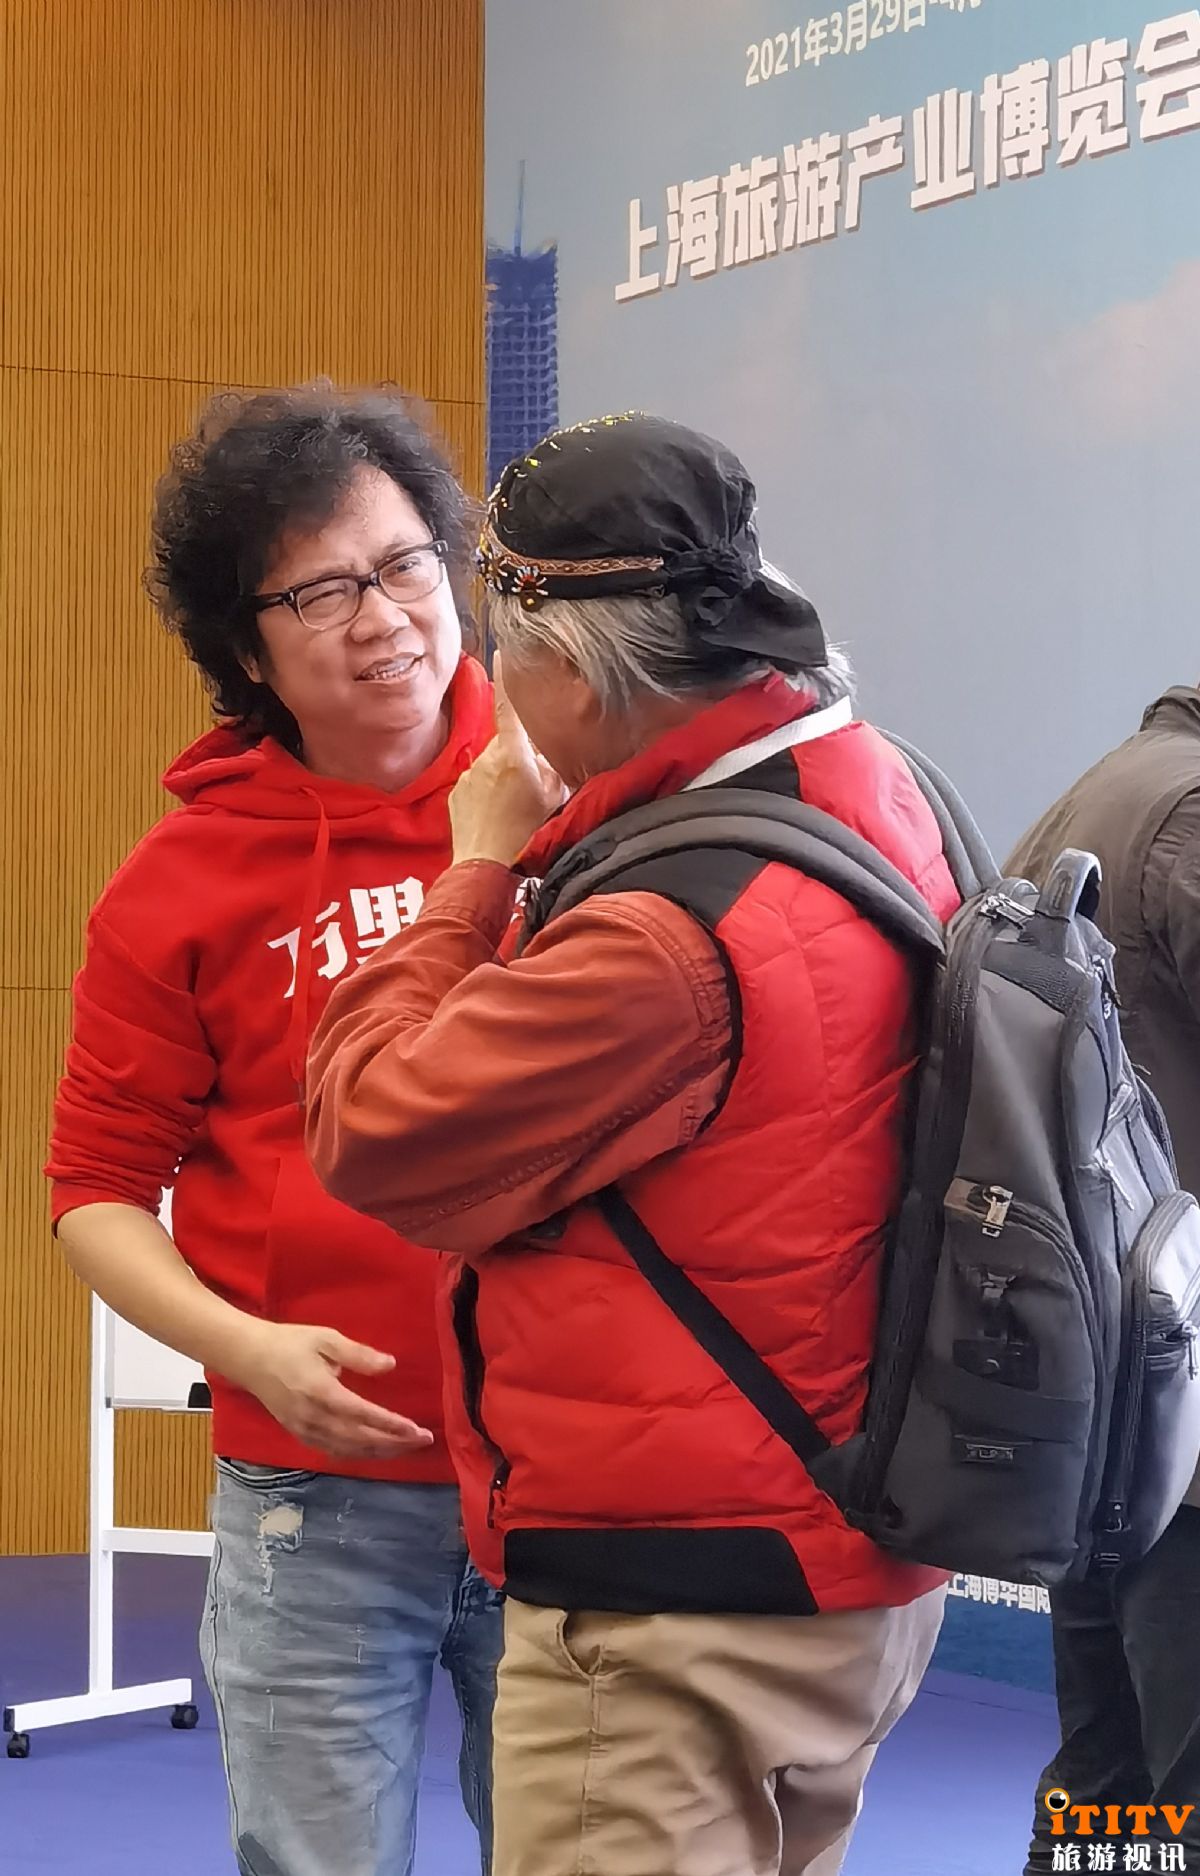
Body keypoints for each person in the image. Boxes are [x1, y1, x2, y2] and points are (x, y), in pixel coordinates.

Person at [306, 412, 951, 1876]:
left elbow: (373, 1129)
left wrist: (476, 871)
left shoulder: (669, 933)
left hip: (678, 1602)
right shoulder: (866, 785)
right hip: (829, 1543)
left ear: (578, 674)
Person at [46, 386, 502, 1876]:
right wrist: (244, 1350)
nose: (383, 617)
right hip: (315, 1494)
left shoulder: (574, 795)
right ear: (246, 651)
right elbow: (93, 1191)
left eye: (404, 563)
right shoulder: (181, 884)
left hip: (564, 1459)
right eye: (319, 591)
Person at [1007, 691, 1200, 1876]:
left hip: (1108, 1409)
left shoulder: (1105, 794)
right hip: (1184, 1431)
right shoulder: (1185, 815)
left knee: (1111, 1800)